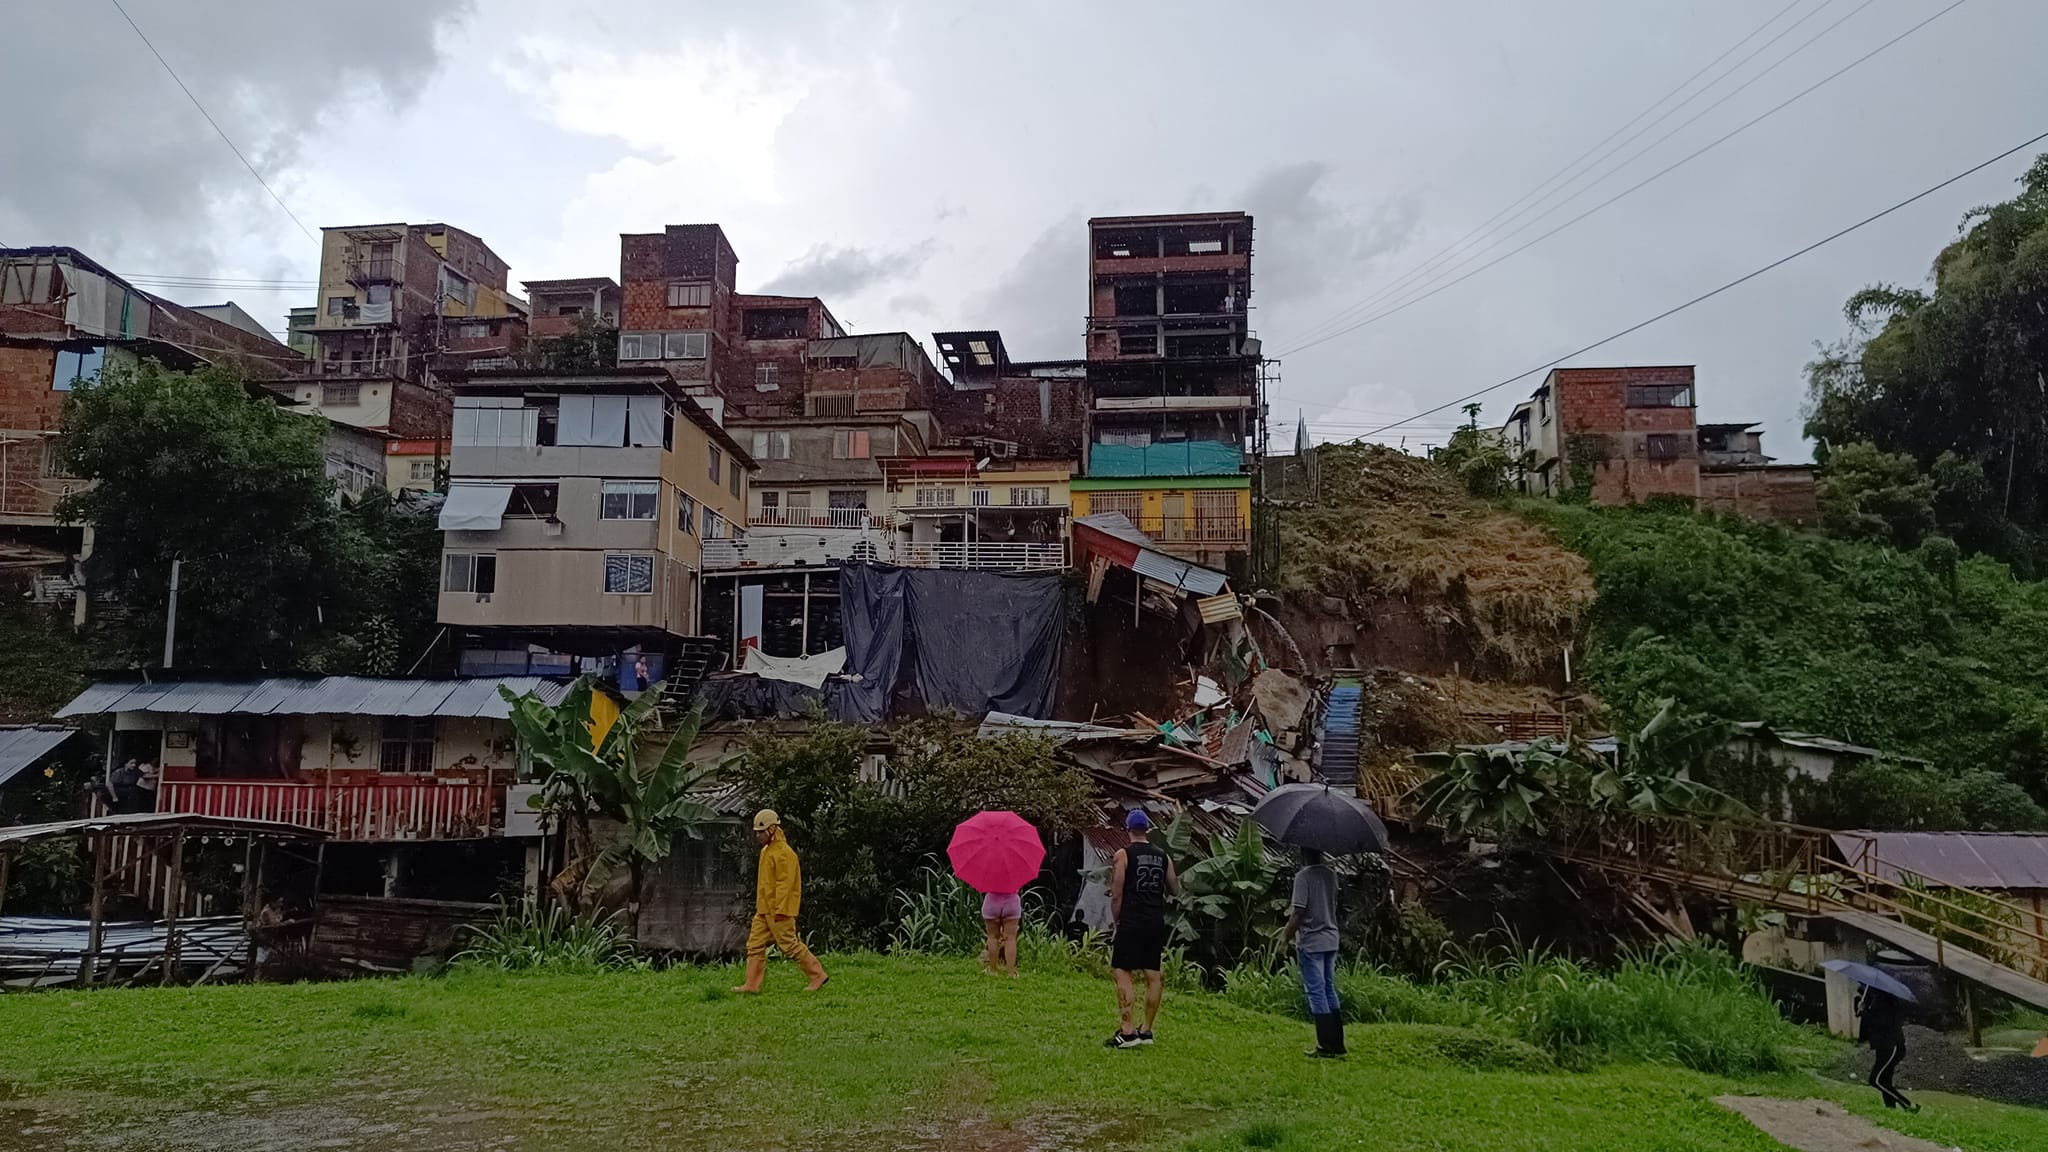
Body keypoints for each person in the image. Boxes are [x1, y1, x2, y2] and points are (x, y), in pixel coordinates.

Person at [733, 810, 829, 993]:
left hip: (779, 911)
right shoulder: (766, 851)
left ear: (772, 829)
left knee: (790, 945)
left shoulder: (785, 853)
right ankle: (752, 985)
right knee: (754, 945)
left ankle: (817, 975)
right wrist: (762, 908)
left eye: (760, 831)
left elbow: (786, 885)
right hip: (764, 910)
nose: (757, 835)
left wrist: (781, 910)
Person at [1106, 809, 1179, 1049]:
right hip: (1154, 921)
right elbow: (1174, 889)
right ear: (1147, 829)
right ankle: (1146, 1031)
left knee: (1122, 970)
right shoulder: (1163, 856)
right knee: (1153, 975)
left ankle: (1127, 1031)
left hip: (1132, 919)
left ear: (1128, 829)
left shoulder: (1123, 855)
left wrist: (1117, 920)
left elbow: (1116, 894)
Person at [1281, 847, 1345, 1057]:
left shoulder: (1303, 877)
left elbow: (1298, 912)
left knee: (1316, 991)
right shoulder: (1332, 875)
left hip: (1311, 941)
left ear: (1303, 853)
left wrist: (1285, 938)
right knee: (1328, 989)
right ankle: (1337, 1043)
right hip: (1331, 938)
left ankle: (1326, 1046)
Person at [1856, 984, 1916, 1111]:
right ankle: (1891, 1109)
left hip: (1891, 1045)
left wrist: (1864, 1012)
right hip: (1883, 1045)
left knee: (1875, 1080)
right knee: (1885, 1080)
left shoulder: (1885, 1001)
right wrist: (1862, 1009)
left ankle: (1909, 1106)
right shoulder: (1879, 999)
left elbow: (1880, 1023)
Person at [981, 888, 1022, 977]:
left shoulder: (990, 874)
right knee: (1010, 939)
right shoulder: (1014, 873)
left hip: (991, 903)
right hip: (1011, 904)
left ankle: (993, 970)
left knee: (992, 937)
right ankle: (1011, 972)